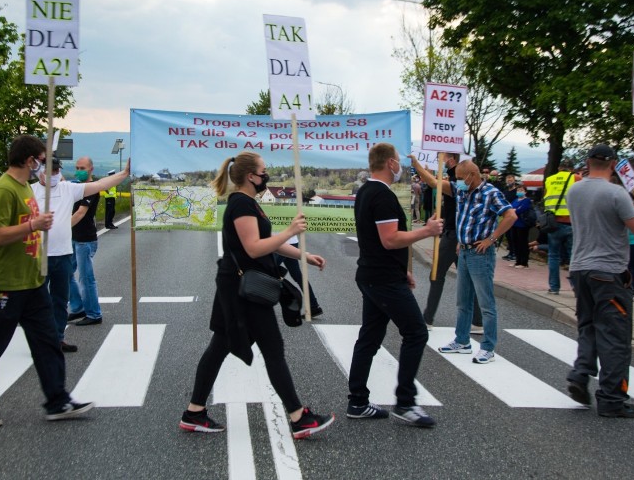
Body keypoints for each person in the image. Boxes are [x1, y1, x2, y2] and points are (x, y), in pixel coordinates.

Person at [179, 151, 334, 439]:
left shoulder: (249, 203)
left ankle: (194, 412)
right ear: (251, 176)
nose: (267, 175)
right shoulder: (241, 204)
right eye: (263, 171)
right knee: (272, 350)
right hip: (243, 291)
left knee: (220, 349)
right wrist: (290, 230)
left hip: (241, 288)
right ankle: (299, 417)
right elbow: (253, 248)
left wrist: (304, 255)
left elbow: (269, 243)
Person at [0, 135, 93, 427]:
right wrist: (33, 225)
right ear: (28, 160)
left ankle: (57, 400)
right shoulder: (4, 189)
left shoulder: (24, 188)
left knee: (48, 342)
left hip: (32, 282)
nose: (43, 164)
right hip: (6, 283)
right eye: (41, 159)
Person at [347, 143, 444, 427]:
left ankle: (357, 401)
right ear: (390, 163)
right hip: (383, 279)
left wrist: (404, 270)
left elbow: (381, 241)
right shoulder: (381, 195)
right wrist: (427, 230)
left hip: (376, 274)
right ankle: (404, 402)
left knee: (370, 337)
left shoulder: (366, 190)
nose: (400, 166)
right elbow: (389, 239)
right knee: (415, 333)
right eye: (399, 161)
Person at [565, 143, 634, 418]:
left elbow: (597, 215)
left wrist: (633, 208)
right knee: (614, 336)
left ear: (589, 162)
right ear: (614, 164)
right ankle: (612, 398)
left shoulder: (574, 190)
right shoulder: (617, 193)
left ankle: (580, 374)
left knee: (588, 326)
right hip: (609, 271)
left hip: (580, 268)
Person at [32, 158, 130, 352]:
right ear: (39, 172)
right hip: (39, 255)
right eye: (49, 171)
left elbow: (100, 185)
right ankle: (39, 339)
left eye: (56, 171)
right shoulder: (31, 191)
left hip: (62, 254)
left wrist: (124, 173)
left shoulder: (68, 189)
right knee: (38, 301)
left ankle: (58, 338)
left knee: (60, 301)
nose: (53, 175)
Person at [431, 160, 516, 364]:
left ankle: (488, 347)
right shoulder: (464, 192)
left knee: (486, 303)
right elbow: (436, 184)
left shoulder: (490, 193)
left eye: (460, 178)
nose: (458, 182)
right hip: (465, 251)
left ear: (472, 174)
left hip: (480, 254)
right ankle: (462, 341)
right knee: (463, 301)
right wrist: (416, 164)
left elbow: (510, 215)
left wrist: (491, 239)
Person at [410, 153, 484, 333]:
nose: (457, 179)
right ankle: (478, 321)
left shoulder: (460, 182)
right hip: (459, 235)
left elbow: (435, 183)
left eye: (440, 158)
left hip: (454, 236)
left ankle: (427, 319)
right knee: (467, 279)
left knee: (436, 275)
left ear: (450, 160)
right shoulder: (470, 184)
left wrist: (416, 164)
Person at [67, 156, 104, 326]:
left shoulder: (91, 189)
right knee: (65, 273)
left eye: (82, 168)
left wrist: (61, 228)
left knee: (86, 278)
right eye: (77, 168)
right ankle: (77, 307)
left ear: (91, 170)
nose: (79, 171)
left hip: (85, 240)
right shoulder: (75, 185)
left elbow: (80, 213)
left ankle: (94, 314)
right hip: (73, 238)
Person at [544, 160, 578, 294]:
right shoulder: (576, 178)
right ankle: (576, 288)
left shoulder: (549, 180)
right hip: (571, 222)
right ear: (571, 169)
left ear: (559, 168)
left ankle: (554, 288)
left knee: (553, 256)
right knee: (573, 257)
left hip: (552, 223)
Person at [275, 234, 323, 318]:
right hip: (290, 242)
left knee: (267, 271)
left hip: (280, 243)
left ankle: (258, 305)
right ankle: (314, 306)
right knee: (297, 276)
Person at [508, 184, 533, 268]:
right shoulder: (515, 200)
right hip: (514, 223)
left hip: (522, 224)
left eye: (521, 190)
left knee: (522, 242)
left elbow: (521, 209)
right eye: (518, 190)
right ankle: (517, 261)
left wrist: (514, 210)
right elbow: (510, 209)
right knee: (515, 243)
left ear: (525, 191)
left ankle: (524, 262)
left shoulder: (527, 200)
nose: (520, 192)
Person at [502, 175, 518, 261]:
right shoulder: (505, 192)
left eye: (511, 180)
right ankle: (510, 252)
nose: (509, 182)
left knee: (513, 236)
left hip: (514, 216)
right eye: (508, 180)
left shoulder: (516, 191)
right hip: (506, 216)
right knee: (508, 235)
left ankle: (515, 253)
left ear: (514, 181)